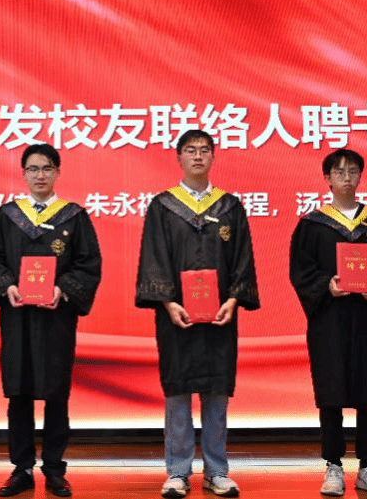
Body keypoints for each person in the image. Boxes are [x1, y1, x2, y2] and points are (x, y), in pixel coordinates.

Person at [135, 130, 260, 498]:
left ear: (213, 157)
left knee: (217, 391)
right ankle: (177, 472)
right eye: (190, 150)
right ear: (179, 157)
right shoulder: (163, 207)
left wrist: (233, 300)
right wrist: (168, 303)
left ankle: (217, 471)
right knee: (177, 390)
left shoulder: (230, 207)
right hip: (176, 316)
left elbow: (242, 259)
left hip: (220, 315)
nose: (198, 156)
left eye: (205, 150)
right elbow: (154, 258)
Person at [0, 143, 102, 498]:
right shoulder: (7, 216)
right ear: (23, 174)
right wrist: (8, 285)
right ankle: (21, 469)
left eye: (47, 168)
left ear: (58, 172)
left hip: (55, 316)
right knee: (19, 392)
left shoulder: (74, 217)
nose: (40, 175)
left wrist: (63, 289)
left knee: (56, 392)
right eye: (33, 169)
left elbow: (88, 263)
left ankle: (54, 469)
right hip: (17, 314)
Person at [289, 149, 367, 498]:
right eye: (339, 171)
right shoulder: (312, 224)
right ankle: (333, 465)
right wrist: (325, 286)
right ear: (327, 178)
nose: (346, 177)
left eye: (353, 171)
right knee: (331, 392)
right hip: (329, 320)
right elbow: (300, 271)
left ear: (360, 177)